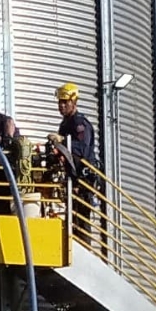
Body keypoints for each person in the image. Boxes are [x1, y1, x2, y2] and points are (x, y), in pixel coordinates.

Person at [56, 82, 102, 245]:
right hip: (72, 179)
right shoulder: (65, 124)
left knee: (82, 221)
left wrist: (63, 141)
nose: (61, 105)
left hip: (83, 180)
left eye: (65, 102)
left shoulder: (79, 123)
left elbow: (82, 149)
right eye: (59, 102)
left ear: (74, 102)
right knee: (72, 219)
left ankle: (84, 249)